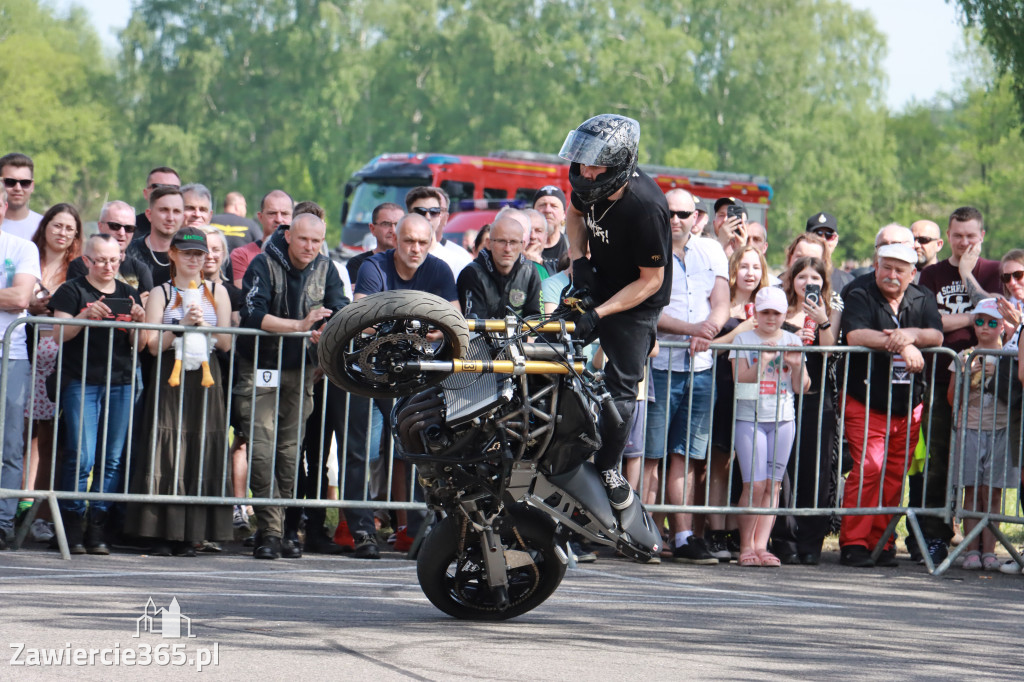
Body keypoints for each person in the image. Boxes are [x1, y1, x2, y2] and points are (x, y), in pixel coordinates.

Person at [558, 113, 672, 510]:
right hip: (602, 279)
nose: (586, 171)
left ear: (620, 163)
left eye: (595, 164)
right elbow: (573, 214)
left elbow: (651, 281)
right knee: (548, 341)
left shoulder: (646, 208)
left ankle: (608, 466)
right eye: (583, 161)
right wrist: (578, 258)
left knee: (622, 388)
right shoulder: (586, 186)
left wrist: (602, 313)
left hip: (636, 302)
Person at [236, 213, 348, 560]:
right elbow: (252, 314)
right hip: (259, 369)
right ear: (289, 236)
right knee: (261, 451)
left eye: (316, 241)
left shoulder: (327, 268)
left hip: (302, 372)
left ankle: (281, 528)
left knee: (288, 455)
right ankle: (269, 530)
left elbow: (340, 311)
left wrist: (322, 339)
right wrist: (300, 325)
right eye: (303, 240)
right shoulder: (263, 264)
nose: (309, 248)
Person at [353, 213, 460, 554]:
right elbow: (359, 318)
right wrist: (414, 324)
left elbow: (454, 319)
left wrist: (437, 328)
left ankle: (417, 528)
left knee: (420, 446)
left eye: (422, 243)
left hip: (415, 371)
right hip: (370, 369)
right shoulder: (374, 267)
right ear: (395, 240)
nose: (415, 249)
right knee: (363, 451)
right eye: (409, 241)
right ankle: (361, 530)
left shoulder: (439, 269)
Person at [125, 228, 234, 557]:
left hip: (205, 378)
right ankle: (159, 532)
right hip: (169, 379)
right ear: (173, 254)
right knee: (166, 448)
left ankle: (194, 534)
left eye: (199, 254)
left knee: (202, 447)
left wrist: (206, 327)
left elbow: (227, 343)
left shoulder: (218, 291)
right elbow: (154, 347)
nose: (194, 259)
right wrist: (181, 324)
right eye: (187, 253)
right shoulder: (161, 291)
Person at [838, 243, 943, 567]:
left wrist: (909, 335)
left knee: (894, 474)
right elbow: (855, 335)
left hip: (908, 404)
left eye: (900, 270)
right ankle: (854, 542)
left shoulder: (922, 296)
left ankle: (881, 542)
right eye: (887, 267)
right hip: (866, 399)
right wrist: (903, 346)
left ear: (912, 273)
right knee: (870, 468)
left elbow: (936, 335)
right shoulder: (859, 293)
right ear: (876, 265)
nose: (892, 275)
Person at [643, 188, 729, 564]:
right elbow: (649, 309)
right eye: (670, 213)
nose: (676, 220)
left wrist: (709, 327)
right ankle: (645, 534)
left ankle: (683, 535)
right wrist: (694, 329)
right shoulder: (648, 248)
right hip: (661, 366)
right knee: (651, 456)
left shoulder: (712, 251)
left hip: (700, 367)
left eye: (683, 214)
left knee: (687, 456)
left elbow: (722, 301)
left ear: (697, 217)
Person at [50, 234, 146, 554]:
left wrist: (138, 323)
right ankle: (72, 524)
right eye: (101, 260)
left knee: (113, 457)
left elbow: (140, 346)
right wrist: (84, 316)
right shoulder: (71, 290)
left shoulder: (129, 294)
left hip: (120, 380)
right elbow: (58, 334)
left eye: (114, 260)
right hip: (81, 380)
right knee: (82, 455)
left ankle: (98, 524)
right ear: (87, 261)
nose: (108, 266)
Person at [917, 206, 1002, 564]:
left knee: (985, 470)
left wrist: (968, 276)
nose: (964, 242)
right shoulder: (932, 274)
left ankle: (985, 545)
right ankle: (934, 537)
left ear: (981, 236)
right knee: (938, 462)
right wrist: (971, 317)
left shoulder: (995, 271)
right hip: (941, 378)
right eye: (958, 235)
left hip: (990, 384)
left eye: (971, 235)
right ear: (947, 237)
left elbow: (1000, 312)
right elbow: (928, 321)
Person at [728, 287, 810, 567]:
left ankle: (762, 546)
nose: (771, 318)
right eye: (766, 312)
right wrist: (762, 361)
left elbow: (801, 386)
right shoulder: (743, 338)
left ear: (785, 314)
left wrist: (797, 366)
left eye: (777, 313)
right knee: (754, 485)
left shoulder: (792, 340)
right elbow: (739, 379)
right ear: (755, 313)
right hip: (750, 419)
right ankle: (746, 546)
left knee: (773, 486)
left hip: (784, 418)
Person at [770, 256, 839, 565]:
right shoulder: (780, 310)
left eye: (815, 278)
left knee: (815, 468)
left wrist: (822, 320)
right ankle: (783, 537)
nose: (808, 283)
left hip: (816, 396)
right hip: (780, 394)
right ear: (792, 279)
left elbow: (829, 347)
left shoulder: (831, 309)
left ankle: (811, 541)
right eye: (802, 277)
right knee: (781, 468)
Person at [23, 204, 83, 542]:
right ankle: (14, 506)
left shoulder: (77, 270)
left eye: (69, 228)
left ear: (76, 236)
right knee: (17, 436)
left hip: (58, 358)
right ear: (45, 226)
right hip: (21, 353)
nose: (62, 232)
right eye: (57, 225)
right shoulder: (26, 257)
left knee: (47, 438)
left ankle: (39, 514)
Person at [946, 299, 1018, 570]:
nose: (985, 327)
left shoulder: (1010, 355)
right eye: (979, 321)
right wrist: (966, 374)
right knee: (972, 490)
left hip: (1000, 428)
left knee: (993, 493)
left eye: (992, 322)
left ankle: (990, 550)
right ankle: (971, 549)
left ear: (1002, 326)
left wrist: (997, 374)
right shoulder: (964, 356)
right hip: (970, 428)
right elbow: (953, 399)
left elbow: (1013, 394)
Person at [710, 246, 771, 559]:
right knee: (720, 463)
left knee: (749, 470)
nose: (750, 273)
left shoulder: (768, 308)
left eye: (756, 267)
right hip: (722, 387)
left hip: (758, 396)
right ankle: (716, 531)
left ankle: (741, 533)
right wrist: (742, 329)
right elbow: (709, 347)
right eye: (744, 266)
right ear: (733, 270)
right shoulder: (720, 307)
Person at [0, 184, 41, 550]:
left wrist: (12, 297)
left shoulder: (22, 247)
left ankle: (3, 520)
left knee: (10, 442)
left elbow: (20, 298)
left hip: (10, 353)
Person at [457, 213, 541, 320]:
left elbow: (536, 322)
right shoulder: (472, 273)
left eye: (514, 242)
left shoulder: (530, 271)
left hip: (521, 336)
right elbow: (475, 328)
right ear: (488, 243)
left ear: (523, 245)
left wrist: (524, 337)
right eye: (501, 241)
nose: (507, 249)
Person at [66, 201, 154, 296]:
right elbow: (80, 304)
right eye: (115, 226)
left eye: (129, 228)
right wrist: (134, 303)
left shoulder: (141, 270)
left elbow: (147, 307)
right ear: (100, 226)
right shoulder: (81, 265)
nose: (122, 233)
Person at [230, 189, 293, 288]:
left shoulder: (302, 254)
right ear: (260, 217)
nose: (279, 219)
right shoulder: (241, 255)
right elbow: (244, 296)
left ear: (293, 218)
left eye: (284, 214)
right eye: (272, 213)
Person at [405, 186, 472, 278]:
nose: (428, 217)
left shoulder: (457, 261)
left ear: (441, 216)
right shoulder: (392, 258)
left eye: (434, 212)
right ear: (408, 214)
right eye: (420, 211)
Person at [126, 185, 185, 285]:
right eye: (164, 210)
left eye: (176, 211)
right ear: (149, 214)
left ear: (183, 217)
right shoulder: (129, 253)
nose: (170, 218)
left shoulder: (190, 253)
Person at [346, 202, 403, 284]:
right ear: (372, 229)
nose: (393, 230)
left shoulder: (413, 262)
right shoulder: (357, 265)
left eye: (398, 224)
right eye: (386, 224)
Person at [805, 212, 853, 293]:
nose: (823, 240)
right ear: (805, 239)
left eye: (829, 235)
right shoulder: (789, 279)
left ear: (836, 240)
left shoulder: (848, 282)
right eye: (817, 234)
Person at [0, 153, 43, 241]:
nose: (18, 188)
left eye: (25, 183)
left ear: (32, 186)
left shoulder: (44, 227)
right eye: (10, 182)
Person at [132, 167, 181, 239]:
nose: (165, 193)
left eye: (172, 189)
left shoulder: (187, 231)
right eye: (158, 188)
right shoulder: (129, 229)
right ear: (145, 193)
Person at [997, 249, 1024, 336]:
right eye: (1006, 277)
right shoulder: (1010, 308)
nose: (1012, 282)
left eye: (1018, 275)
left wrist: (1019, 325)